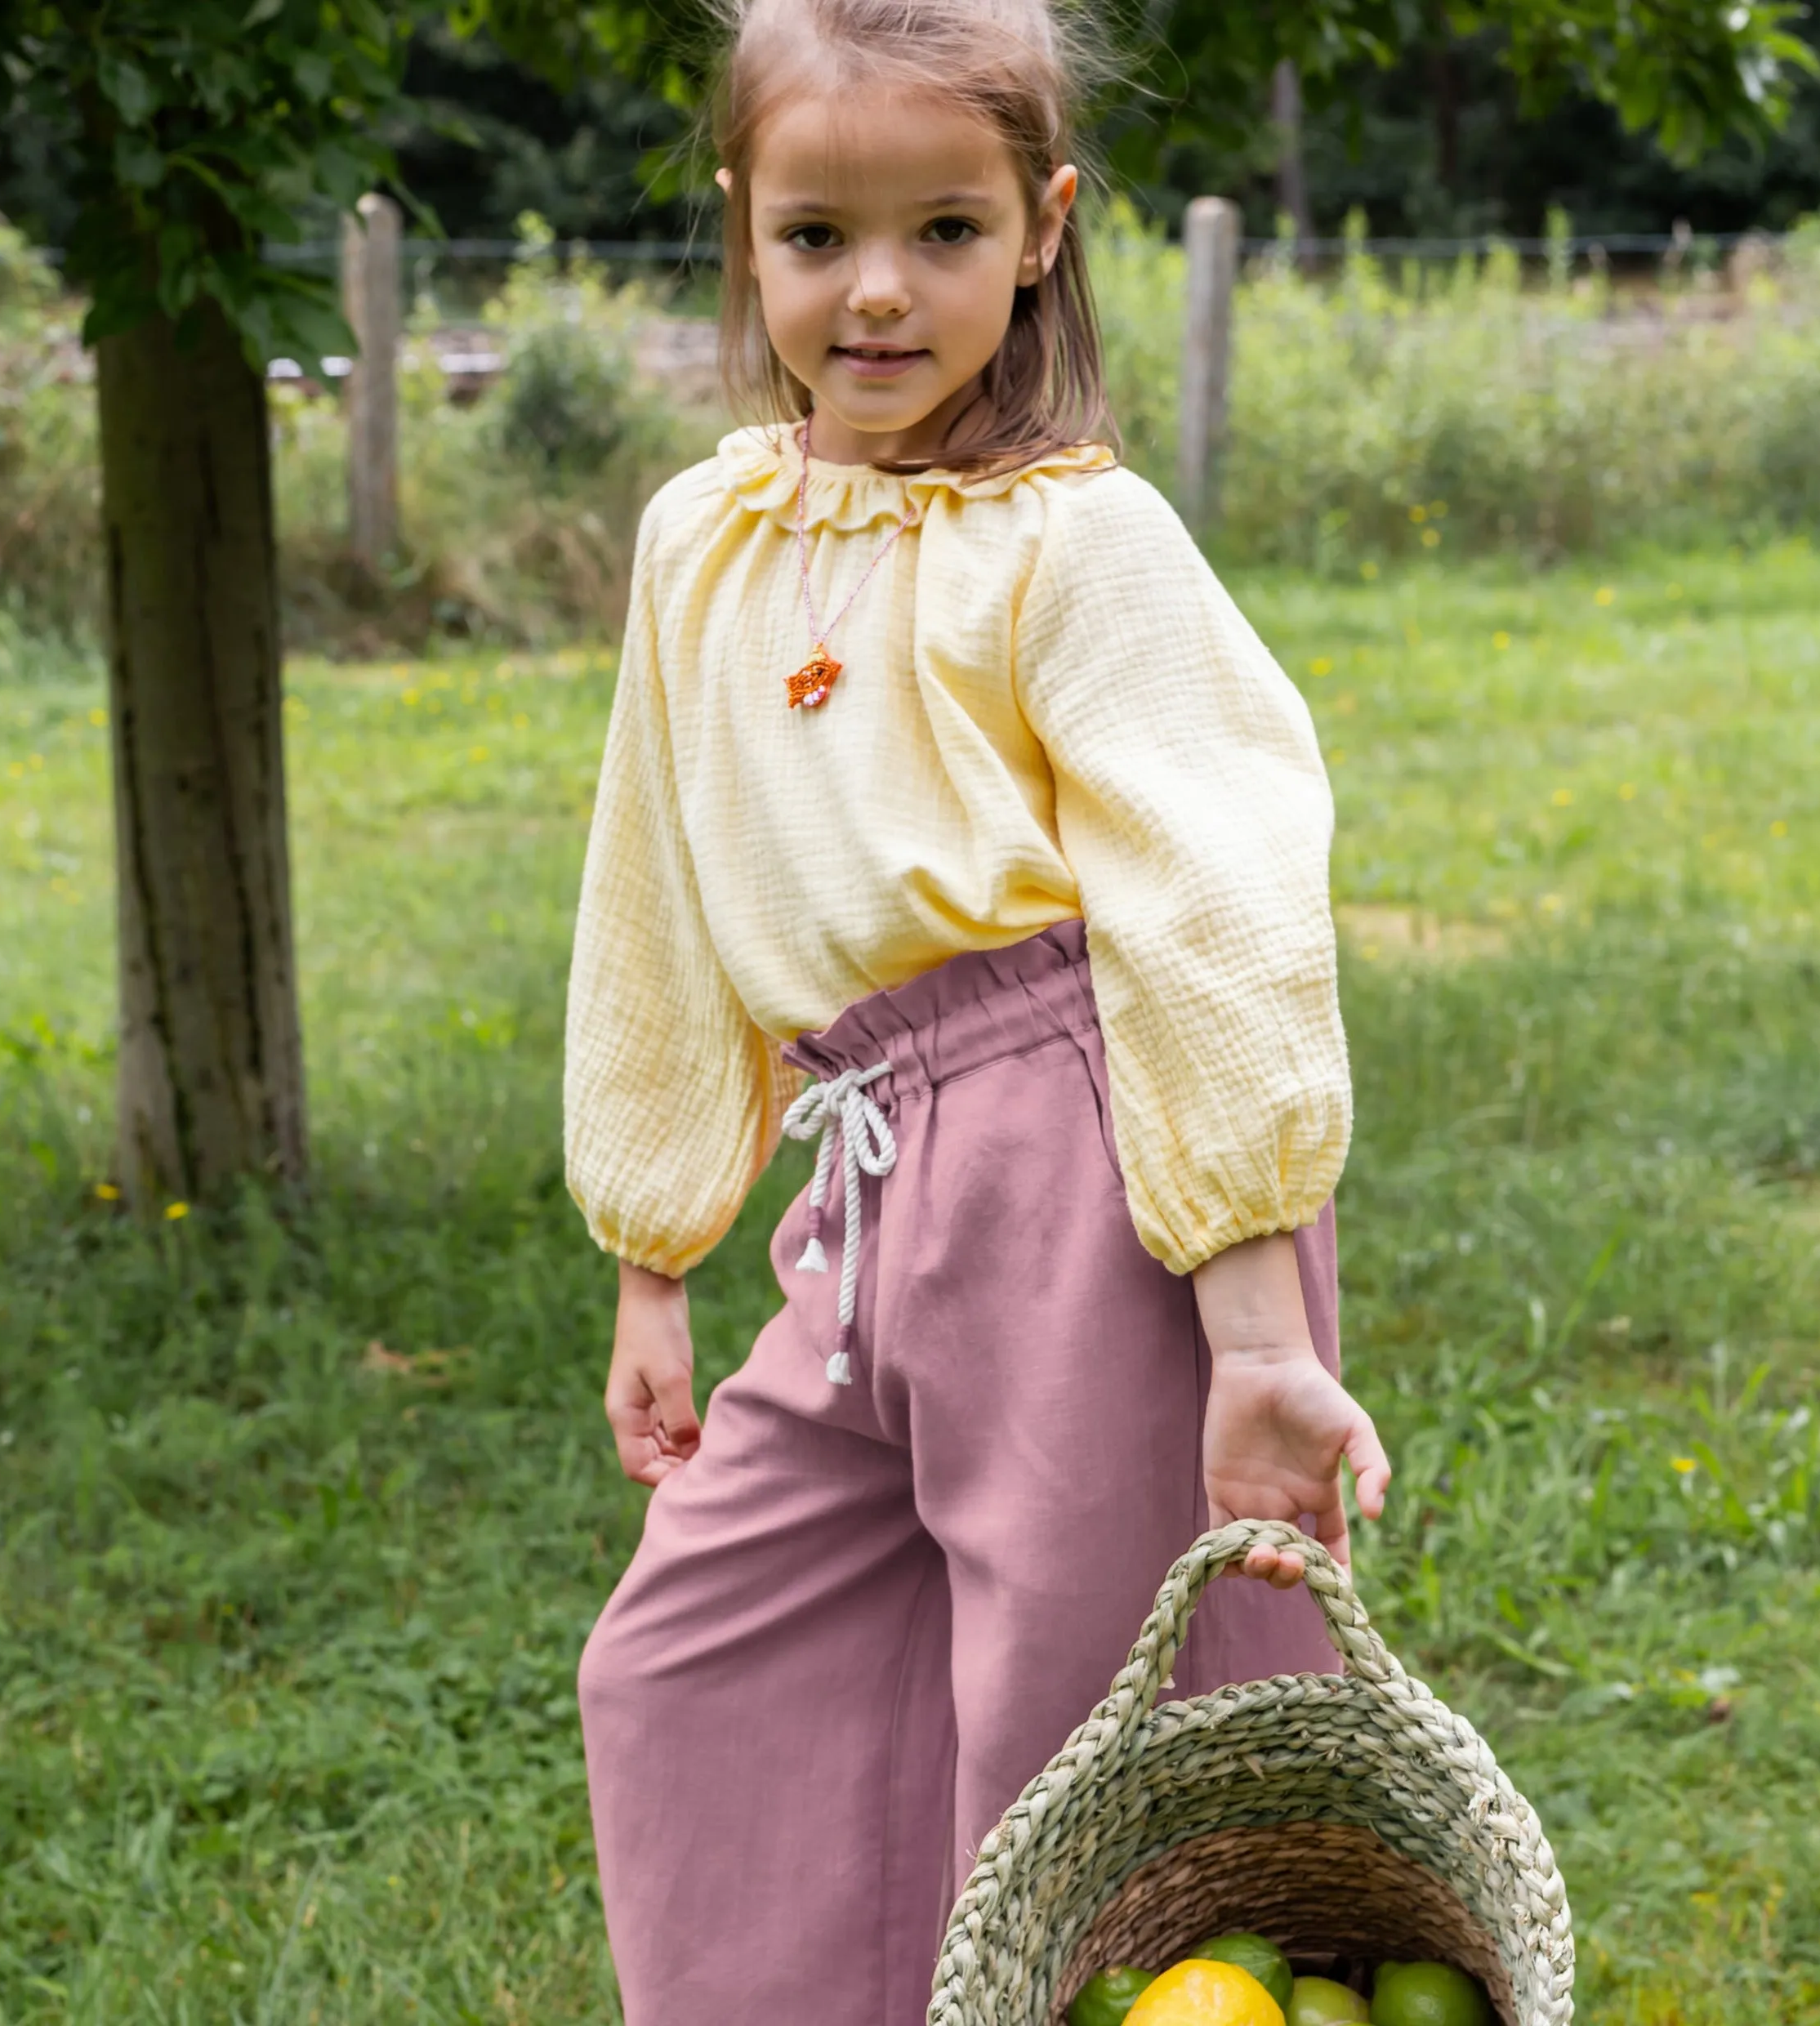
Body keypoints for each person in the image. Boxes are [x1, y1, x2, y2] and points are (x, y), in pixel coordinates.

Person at [564, 0, 1392, 2015]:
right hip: (862, 1176)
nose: (875, 291)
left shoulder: (1075, 544)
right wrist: (656, 1245)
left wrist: (1255, 1335)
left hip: (1084, 1164)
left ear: (1042, 228)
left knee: (1080, 1706)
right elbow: (660, 891)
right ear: (744, 233)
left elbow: (1213, 916)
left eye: (943, 228)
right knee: (692, 1658)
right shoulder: (707, 537)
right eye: (815, 235)